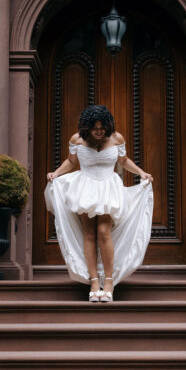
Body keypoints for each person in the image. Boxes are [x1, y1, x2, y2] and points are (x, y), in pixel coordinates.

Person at [45, 105, 154, 302]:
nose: (99, 131)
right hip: (85, 187)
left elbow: (124, 160)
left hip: (108, 187)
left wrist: (142, 173)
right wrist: (56, 173)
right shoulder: (76, 139)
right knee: (89, 233)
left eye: (102, 127)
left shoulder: (117, 138)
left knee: (104, 231)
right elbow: (71, 162)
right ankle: (94, 282)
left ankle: (109, 282)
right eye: (95, 127)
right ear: (87, 126)